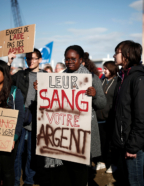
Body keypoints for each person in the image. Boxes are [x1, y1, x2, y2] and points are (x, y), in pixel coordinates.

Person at [36, 45, 106, 186]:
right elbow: (49, 104)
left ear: (81, 59)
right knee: (62, 175)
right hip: (61, 136)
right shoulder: (58, 78)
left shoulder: (91, 78)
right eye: (67, 59)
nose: (69, 62)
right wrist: (42, 88)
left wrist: (95, 95)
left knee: (79, 175)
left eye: (73, 58)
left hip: (81, 137)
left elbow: (102, 104)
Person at [111, 40, 144, 186]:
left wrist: (133, 146)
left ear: (127, 54)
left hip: (133, 145)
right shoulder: (124, 77)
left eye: (117, 52)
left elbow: (143, 117)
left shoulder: (138, 79)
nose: (114, 55)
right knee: (125, 180)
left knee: (134, 182)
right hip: (124, 142)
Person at [8, 49, 48, 186]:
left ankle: (29, 180)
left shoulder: (47, 76)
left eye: (34, 59)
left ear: (40, 60)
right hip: (20, 119)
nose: (31, 61)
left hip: (37, 120)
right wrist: (9, 62)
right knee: (17, 153)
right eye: (28, 59)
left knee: (32, 153)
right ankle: (15, 181)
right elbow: (6, 82)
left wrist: (42, 90)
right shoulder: (20, 75)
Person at [95, 61, 119, 173]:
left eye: (106, 69)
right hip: (99, 116)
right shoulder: (102, 80)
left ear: (112, 69)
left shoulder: (118, 82)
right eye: (104, 68)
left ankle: (111, 163)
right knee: (100, 141)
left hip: (110, 118)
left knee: (110, 143)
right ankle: (102, 161)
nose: (104, 71)